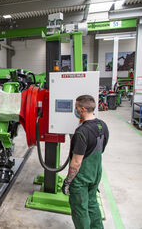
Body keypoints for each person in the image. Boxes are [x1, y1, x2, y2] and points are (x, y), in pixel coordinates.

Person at [62, 95, 109, 229]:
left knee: (80, 210)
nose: (75, 110)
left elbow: (76, 162)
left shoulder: (82, 132)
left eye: (76, 107)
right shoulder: (102, 125)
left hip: (81, 178)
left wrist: (68, 182)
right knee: (92, 204)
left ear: (82, 109)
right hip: (95, 173)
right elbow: (101, 149)